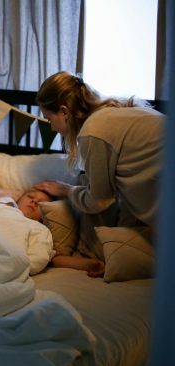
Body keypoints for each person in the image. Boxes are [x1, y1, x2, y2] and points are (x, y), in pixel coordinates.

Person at [33, 71, 164, 276]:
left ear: (64, 111)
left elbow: (100, 200)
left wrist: (67, 191)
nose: (51, 128)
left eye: (49, 118)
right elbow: (129, 194)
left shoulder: (93, 131)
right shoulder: (116, 112)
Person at [0, 186, 107, 277]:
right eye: (30, 196)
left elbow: (51, 258)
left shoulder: (38, 230)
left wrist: (89, 264)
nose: (34, 201)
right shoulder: (4, 206)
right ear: (18, 200)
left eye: (42, 202)